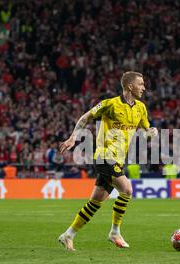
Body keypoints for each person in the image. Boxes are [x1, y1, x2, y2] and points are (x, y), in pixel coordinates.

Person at [57, 71, 158, 251]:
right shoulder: (110, 105)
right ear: (130, 86)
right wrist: (73, 137)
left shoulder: (141, 108)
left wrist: (151, 133)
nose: (144, 87)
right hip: (104, 157)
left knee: (95, 202)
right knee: (127, 189)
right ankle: (114, 232)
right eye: (140, 84)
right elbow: (85, 117)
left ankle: (68, 235)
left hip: (118, 160)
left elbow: (146, 131)